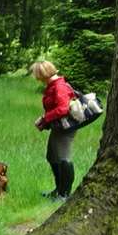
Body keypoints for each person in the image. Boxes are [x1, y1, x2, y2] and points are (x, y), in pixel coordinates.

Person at [32, 60, 78, 200]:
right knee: (52, 156)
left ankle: (64, 194)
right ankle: (58, 190)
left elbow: (63, 109)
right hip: (58, 125)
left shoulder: (59, 86)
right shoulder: (53, 85)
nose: (37, 78)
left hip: (66, 127)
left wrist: (45, 118)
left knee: (63, 158)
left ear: (42, 74)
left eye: (37, 75)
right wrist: (46, 120)